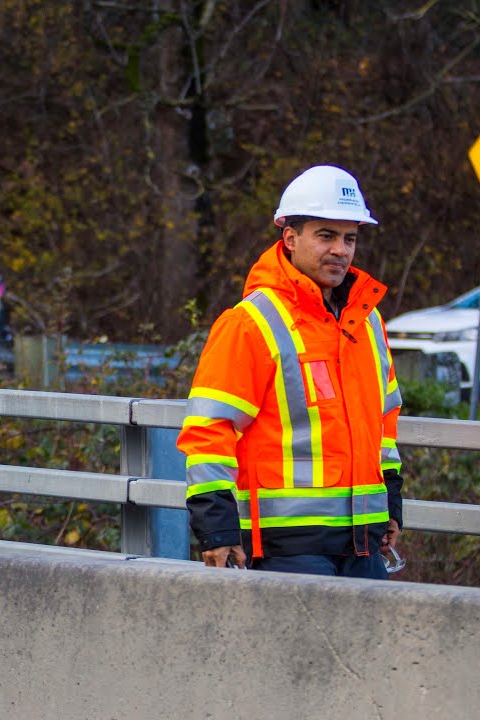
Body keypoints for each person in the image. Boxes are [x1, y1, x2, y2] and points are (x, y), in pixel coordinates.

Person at [177, 165, 404, 578]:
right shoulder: (252, 322)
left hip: (363, 543)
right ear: (290, 238)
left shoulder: (367, 323)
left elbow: (384, 423)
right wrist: (217, 531)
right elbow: (209, 431)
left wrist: (391, 504)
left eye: (349, 238)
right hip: (286, 547)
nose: (341, 249)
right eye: (326, 235)